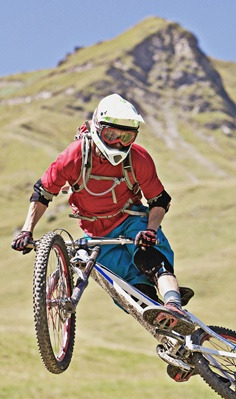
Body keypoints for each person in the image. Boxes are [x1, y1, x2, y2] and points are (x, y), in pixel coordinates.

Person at [11, 93, 194, 336]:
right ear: (98, 128)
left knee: (149, 257)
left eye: (126, 137)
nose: (118, 143)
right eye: (111, 135)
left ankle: (174, 305)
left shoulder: (138, 158)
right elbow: (43, 192)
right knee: (131, 292)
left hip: (131, 219)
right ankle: (173, 341)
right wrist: (27, 230)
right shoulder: (74, 156)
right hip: (97, 234)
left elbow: (159, 201)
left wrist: (151, 230)